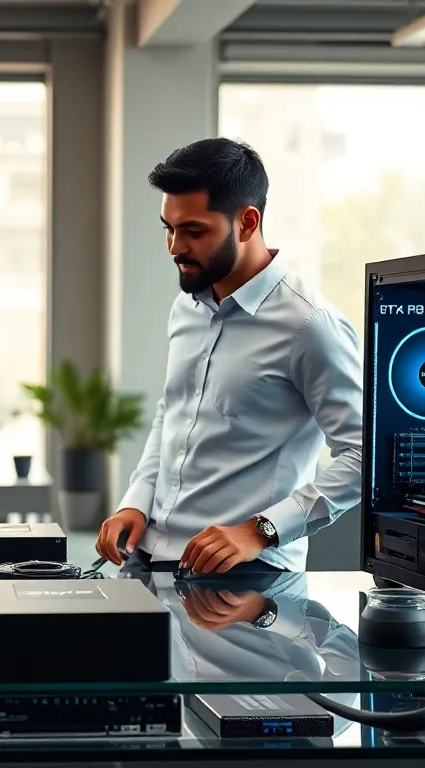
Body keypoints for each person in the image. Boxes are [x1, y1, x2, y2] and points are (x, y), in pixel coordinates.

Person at [96, 138, 363, 574]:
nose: (175, 246)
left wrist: (260, 531)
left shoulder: (310, 326)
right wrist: (137, 501)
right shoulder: (186, 307)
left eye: (193, 231)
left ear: (247, 222)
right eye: (168, 228)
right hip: (149, 560)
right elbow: (174, 411)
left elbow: (362, 457)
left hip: (247, 576)